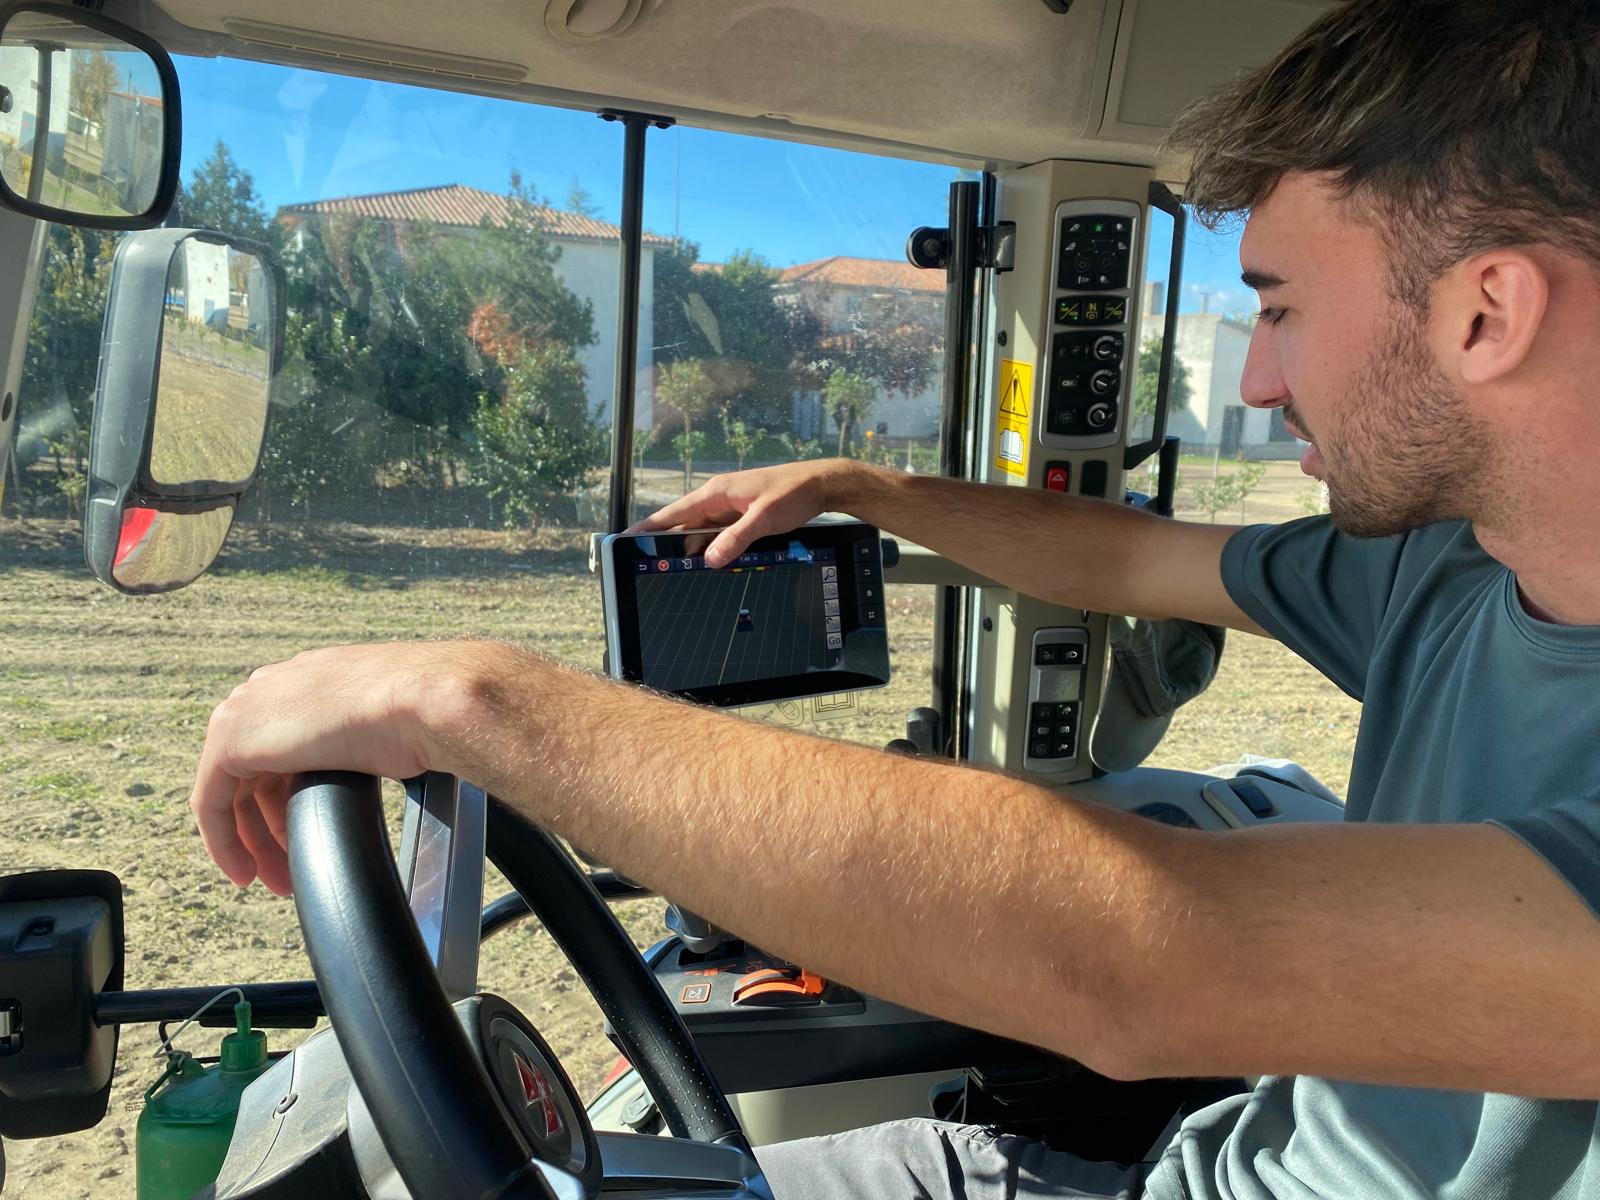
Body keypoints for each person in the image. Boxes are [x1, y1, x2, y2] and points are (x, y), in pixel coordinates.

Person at [186, 1, 1600, 1196]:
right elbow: (1122, 558)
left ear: (1486, 312)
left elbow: (1142, 958)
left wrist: (467, 702)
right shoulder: (1436, 571)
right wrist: (863, 487)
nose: (1259, 379)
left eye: (1279, 306)